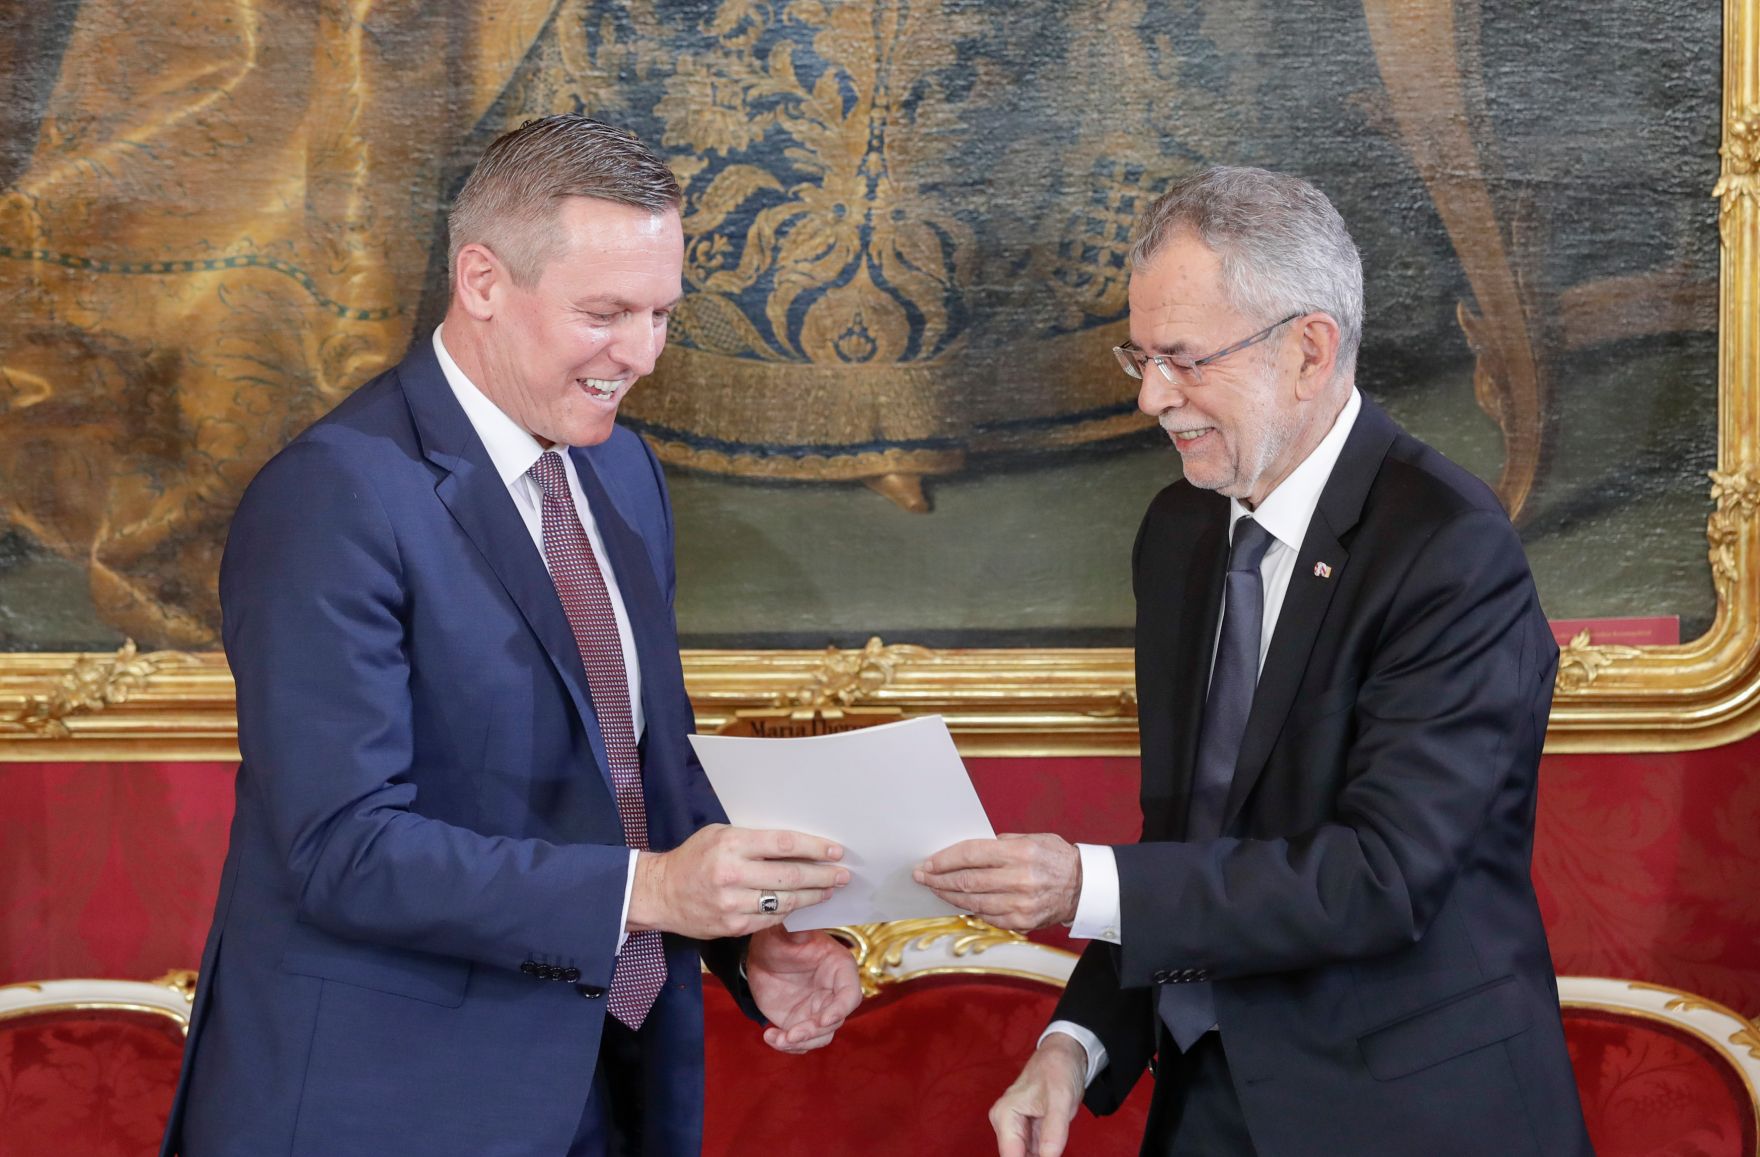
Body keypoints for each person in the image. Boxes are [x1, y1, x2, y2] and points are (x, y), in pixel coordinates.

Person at [161, 115, 862, 1157]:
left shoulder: (622, 469)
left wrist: (753, 922)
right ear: (482, 280)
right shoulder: (333, 494)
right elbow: (341, 849)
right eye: (605, 312)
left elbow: (633, 762)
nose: (642, 354)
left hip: (606, 1084)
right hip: (380, 1104)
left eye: (662, 312)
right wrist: (655, 889)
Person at [917, 166, 1590, 1157]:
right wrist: (1078, 1038)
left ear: (1306, 350)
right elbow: (1189, 834)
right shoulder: (1179, 531)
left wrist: (1077, 886)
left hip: (1407, 1116)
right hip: (1210, 1107)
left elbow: (1379, 875)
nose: (1152, 397)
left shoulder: (1449, 547)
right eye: (1139, 357)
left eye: (1183, 359)